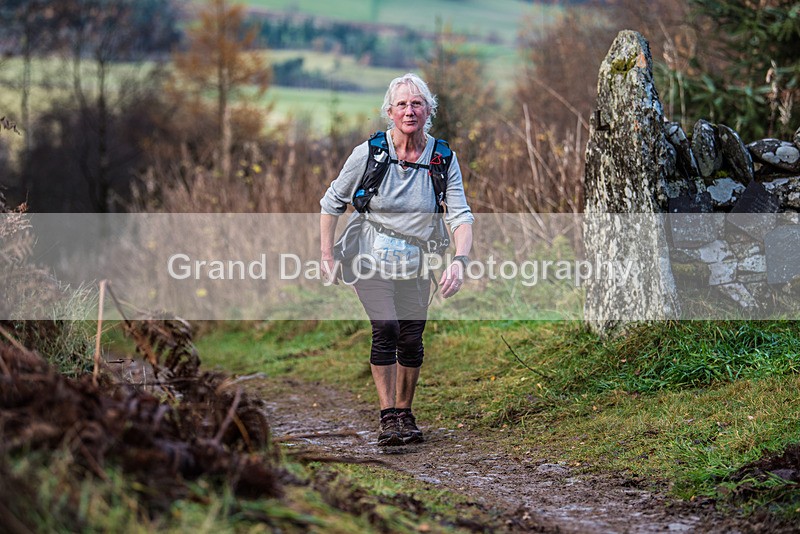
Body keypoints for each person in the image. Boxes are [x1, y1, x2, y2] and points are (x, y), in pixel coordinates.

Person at [319, 73, 474, 447]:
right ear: (389, 112)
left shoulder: (442, 158)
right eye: (402, 104)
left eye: (417, 103)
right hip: (367, 255)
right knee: (386, 327)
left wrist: (460, 260)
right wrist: (326, 253)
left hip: (417, 260)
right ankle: (388, 416)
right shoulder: (370, 153)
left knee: (411, 337)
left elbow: (460, 215)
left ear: (429, 111)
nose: (410, 110)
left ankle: (405, 413)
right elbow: (331, 202)